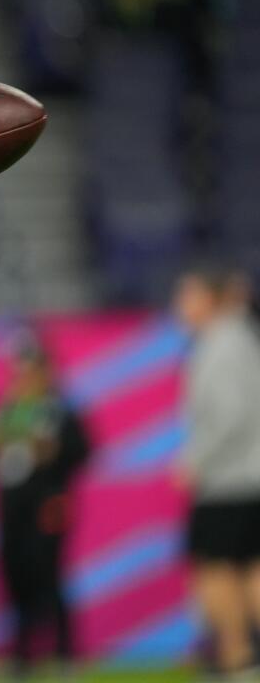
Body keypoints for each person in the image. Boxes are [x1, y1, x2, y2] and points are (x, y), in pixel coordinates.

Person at [0, 336, 89, 681]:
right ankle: (23, 655)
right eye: (18, 371)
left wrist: (53, 451)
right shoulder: (4, 408)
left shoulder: (60, 409)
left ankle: (64, 654)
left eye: (30, 370)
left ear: (46, 372)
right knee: (14, 575)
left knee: (49, 575)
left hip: (48, 503)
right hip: (11, 505)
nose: (22, 378)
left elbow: (82, 451)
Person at [174, 265, 260, 679]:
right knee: (247, 568)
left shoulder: (222, 344)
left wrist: (197, 460)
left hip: (230, 482)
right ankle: (242, 659)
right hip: (247, 478)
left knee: (218, 570)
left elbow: (230, 415)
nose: (180, 305)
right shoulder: (239, 339)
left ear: (210, 298)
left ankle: (238, 657)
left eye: (187, 295)